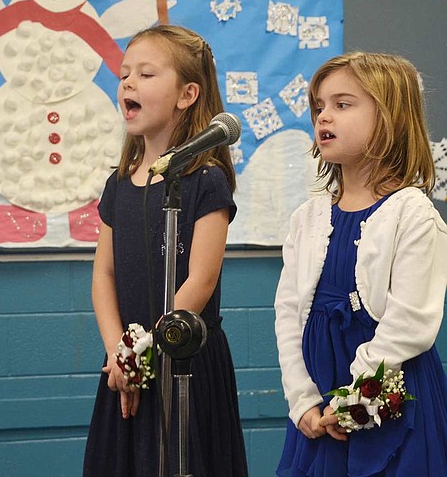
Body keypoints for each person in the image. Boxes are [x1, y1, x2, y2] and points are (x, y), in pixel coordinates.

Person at [83, 25, 248, 477]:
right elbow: (104, 276)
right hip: (126, 363)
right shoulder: (118, 185)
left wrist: (147, 350)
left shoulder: (206, 180)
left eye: (146, 74)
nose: (128, 83)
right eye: (124, 75)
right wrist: (121, 352)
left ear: (187, 94)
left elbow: (202, 279)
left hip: (182, 359)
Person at [274, 51, 447, 476]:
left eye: (342, 104)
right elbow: (288, 316)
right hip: (319, 413)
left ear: (388, 118)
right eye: (319, 107)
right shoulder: (307, 218)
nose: (324, 117)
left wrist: (351, 401)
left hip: (387, 405)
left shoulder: (413, 214)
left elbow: (409, 324)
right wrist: (303, 400)